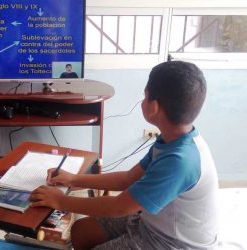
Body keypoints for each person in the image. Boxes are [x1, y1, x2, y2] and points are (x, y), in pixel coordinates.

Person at [30, 61, 219, 250]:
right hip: (150, 222)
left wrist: (61, 201)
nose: (142, 101)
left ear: (154, 107)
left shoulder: (180, 161)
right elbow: (128, 178)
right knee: (81, 231)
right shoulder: (171, 140)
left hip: (172, 243)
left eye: (144, 96)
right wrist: (74, 179)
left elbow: (118, 207)